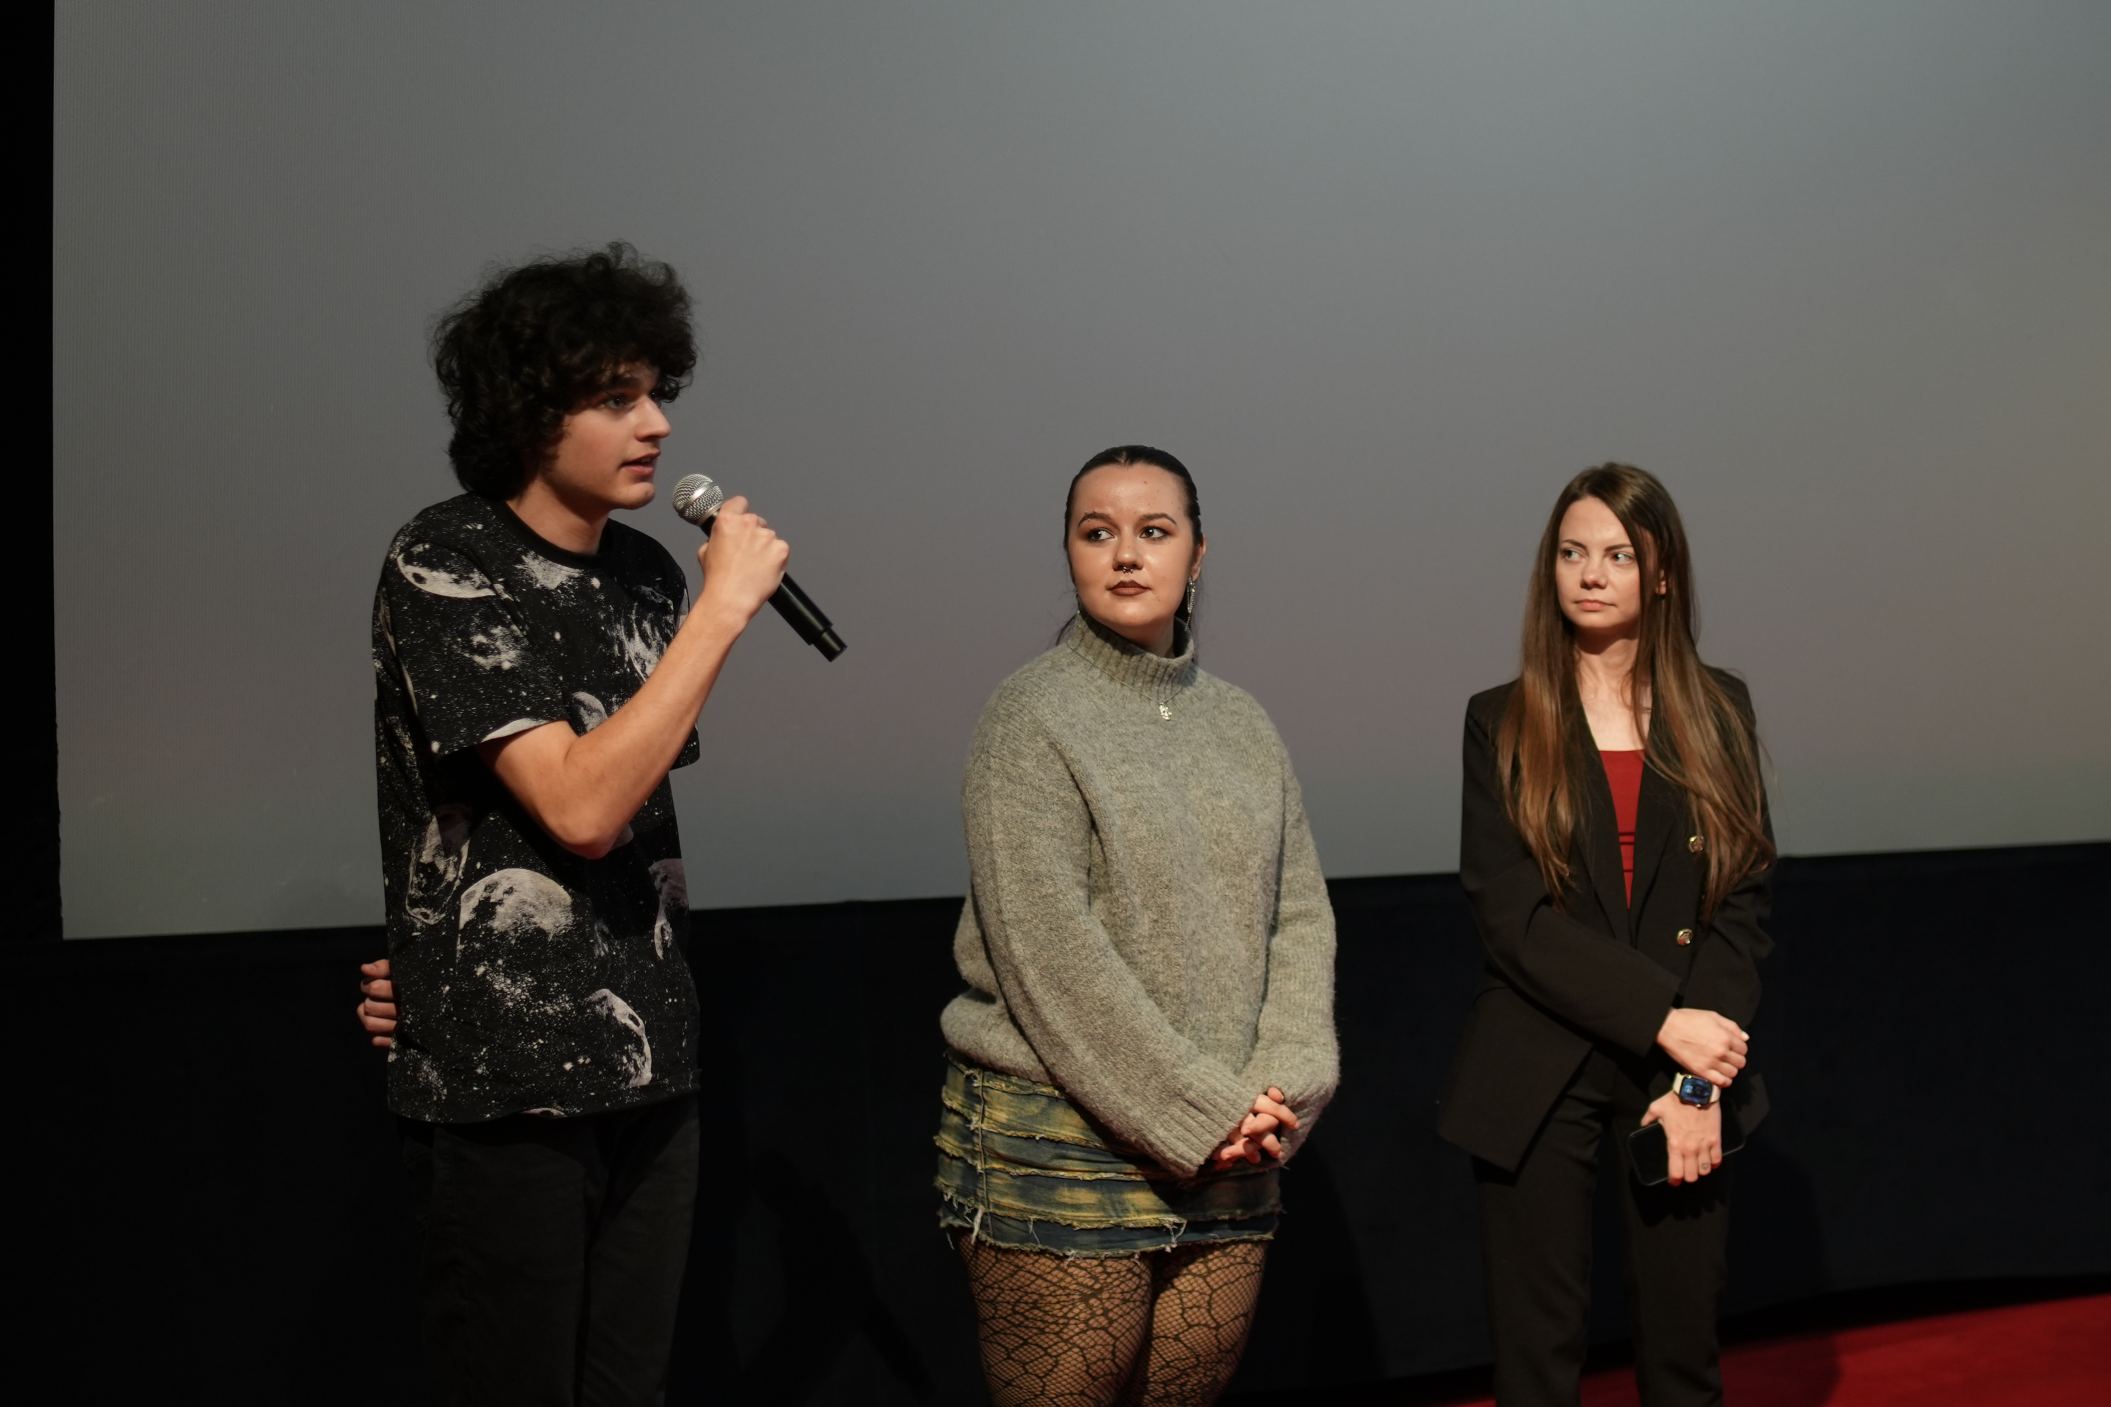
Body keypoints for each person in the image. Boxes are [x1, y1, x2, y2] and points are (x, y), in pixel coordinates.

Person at [361, 243, 788, 1405]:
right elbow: (582, 809)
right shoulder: (445, 559)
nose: (655, 423)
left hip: (649, 1057)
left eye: (656, 391)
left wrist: (693, 612)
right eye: (614, 398)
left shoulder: (645, 574)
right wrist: (723, 614)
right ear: (527, 413)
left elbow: (637, 784)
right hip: (506, 1080)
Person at [935, 445, 1339, 1407]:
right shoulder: (1029, 713)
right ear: (1069, 553)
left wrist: (1283, 1087)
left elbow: (1297, 916)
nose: (1125, 553)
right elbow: (1048, 952)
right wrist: (1203, 1110)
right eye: (1096, 532)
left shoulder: (1243, 723)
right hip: (1063, 1144)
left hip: (1234, 1148)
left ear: (1196, 553)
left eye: (1153, 531)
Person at [1437, 464, 1775, 1406]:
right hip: (1537, 1063)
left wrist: (1695, 1081)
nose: (1590, 573)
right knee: (1535, 1370)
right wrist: (1664, 1019)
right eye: (1572, 552)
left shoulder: (1719, 709)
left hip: (1679, 1077)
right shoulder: (1500, 720)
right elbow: (1512, 919)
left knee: (1681, 1360)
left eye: (1619, 555)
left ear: (1661, 575)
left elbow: (1740, 902)